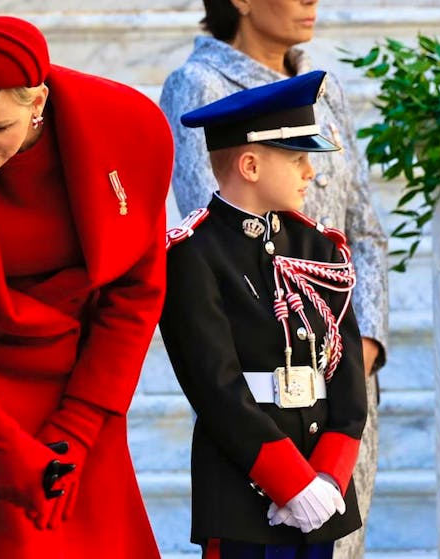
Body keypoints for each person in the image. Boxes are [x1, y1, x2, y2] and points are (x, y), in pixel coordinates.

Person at [0, 15, 173, 559]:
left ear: (37, 102)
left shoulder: (128, 126)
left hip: (82, 382)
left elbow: (136, 293)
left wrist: (78, 427)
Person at [159, 2, 388, 555]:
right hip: (249, 458)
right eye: (297, 157)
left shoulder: (319, 246)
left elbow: (363, 227)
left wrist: (329, 473)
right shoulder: (199, 85)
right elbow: (216, 377)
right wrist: (290, 480)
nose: (311, 169)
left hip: (329, 412)